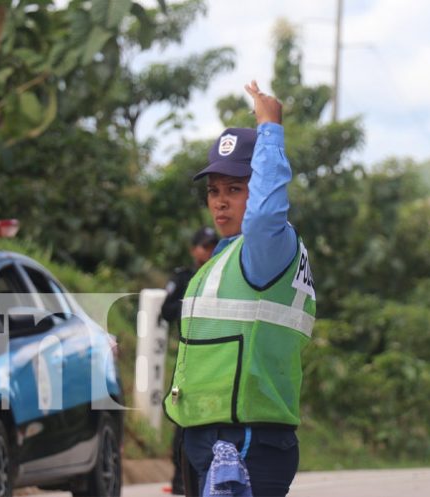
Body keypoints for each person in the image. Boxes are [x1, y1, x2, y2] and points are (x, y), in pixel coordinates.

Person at [162, 80, 316, 497]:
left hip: (246, 441)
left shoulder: (265, 247)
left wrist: (270, 130)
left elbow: (265, 214)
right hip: (211, 439)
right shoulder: (226, 256)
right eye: (213, 191)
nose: (220, 202)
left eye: (235, 189)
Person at [161, 226, 219, 495]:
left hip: (219, 356)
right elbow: (166, 310)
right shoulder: (184, 277)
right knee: (183, 416)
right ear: (194, 249)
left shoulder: (224, 273)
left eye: (212, 246)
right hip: (189, 356)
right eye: (204, 246)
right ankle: (180, 479)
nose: (208, 251)